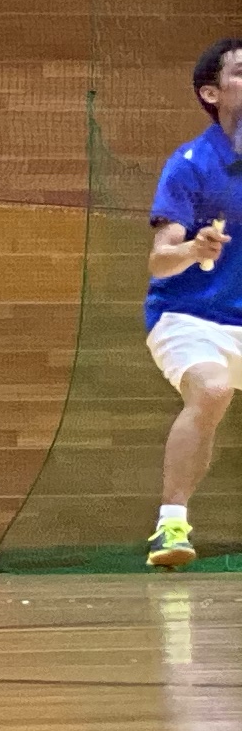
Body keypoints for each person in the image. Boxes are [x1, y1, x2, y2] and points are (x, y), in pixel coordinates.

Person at [140, 37, 242, 568]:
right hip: (188, 315)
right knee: (213, 389)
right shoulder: (190, 165)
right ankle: (171, 526)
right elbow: (160, 260)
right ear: (211, 93)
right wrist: (193, 249)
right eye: (240, 72)